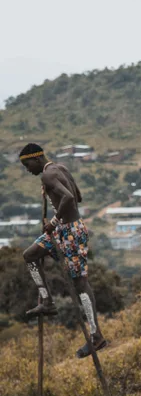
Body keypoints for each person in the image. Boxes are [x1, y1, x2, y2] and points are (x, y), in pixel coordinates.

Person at [20, 143, 106, 358]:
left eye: (27, 164)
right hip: (62, 232)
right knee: (30, 255)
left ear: (37, 158)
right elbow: (78, 196)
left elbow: (68, 197)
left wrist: (55, 220)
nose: (27, 169)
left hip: (69, 232)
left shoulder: (47, 176)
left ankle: (96, 337)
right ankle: (47, 301)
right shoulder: (60, 169)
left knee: (80, 282)